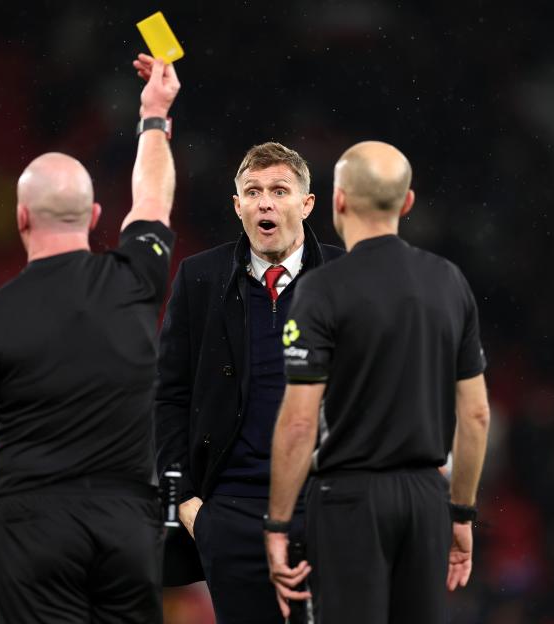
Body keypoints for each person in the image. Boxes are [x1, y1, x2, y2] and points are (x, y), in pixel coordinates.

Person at [0, 53, 180, 623]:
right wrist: (155, 115)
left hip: (30, 528)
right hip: (127, 525)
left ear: (21, 218)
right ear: (94, 216)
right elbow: (153, 198)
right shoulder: (137, 277)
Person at [266, 141, 491, 623]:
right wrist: (462, 513)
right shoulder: (449, 282)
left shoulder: (321, 289)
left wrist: (278, 524)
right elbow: (475, 416)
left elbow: (299, 423)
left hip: (349, 500)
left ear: (338, 200)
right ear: (407, 203)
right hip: (427, 497)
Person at [155, 141, 344, 622]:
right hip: (229, 514)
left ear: (306, 204)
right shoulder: (199, 277)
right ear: (237, 205)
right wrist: (190, 506)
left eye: (280, 190)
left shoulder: (348, 277)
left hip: (325, 510)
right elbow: (169, 395)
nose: (265, 202)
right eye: (253, 191)